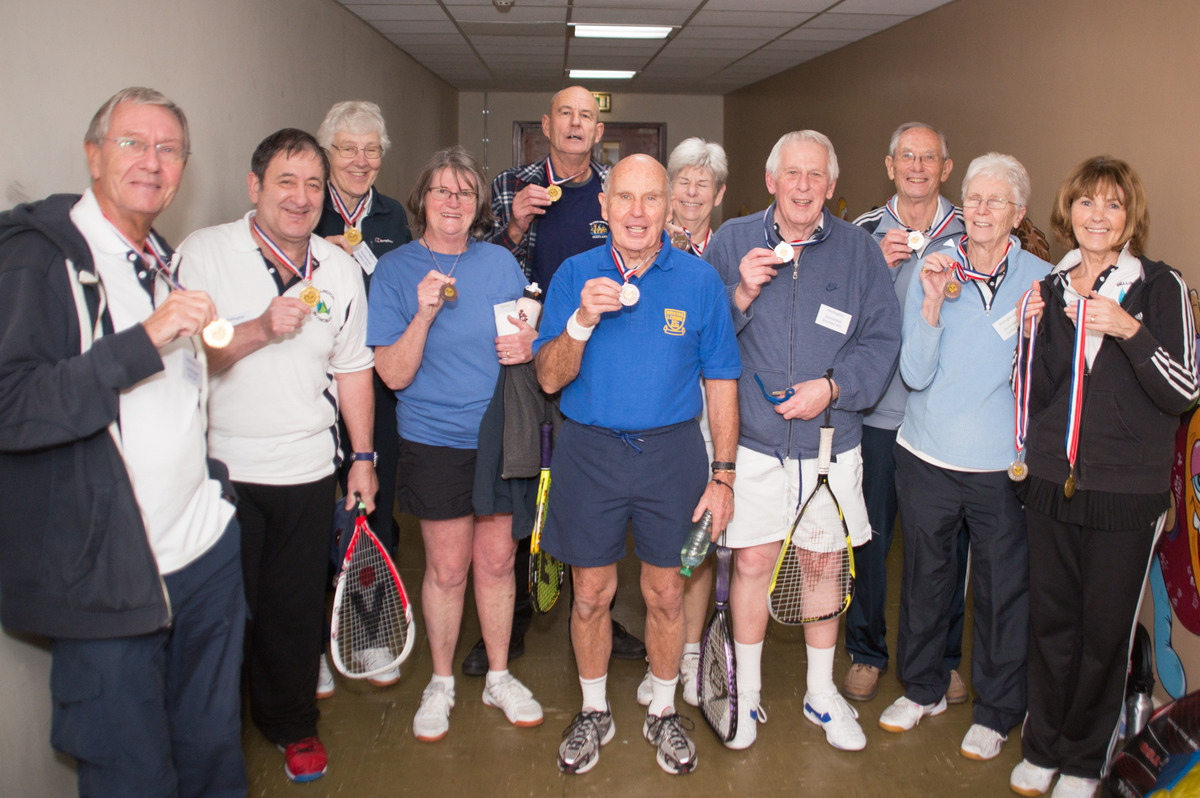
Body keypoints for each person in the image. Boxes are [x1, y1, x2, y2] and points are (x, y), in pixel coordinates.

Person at [0, 87, 245, 796]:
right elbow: (12, 406)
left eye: (169, 149)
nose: (152, 161)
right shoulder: (40, 259)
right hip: (109, 580)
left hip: (203, 558)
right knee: (131, 777)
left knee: (211, 757)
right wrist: (147, 338)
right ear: (93, 153)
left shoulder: (158, 256)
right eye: (133, 143)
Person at [178, 128, 378, 783]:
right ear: (254, 187)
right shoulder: (205, 255)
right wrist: (261, 328)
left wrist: (363, 457)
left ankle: (292, 725)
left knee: (293, 613)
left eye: (313, 185)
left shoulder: (340, 267)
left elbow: (353, 370)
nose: (299, 197)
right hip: (218, 473)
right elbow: (185, 357)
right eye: (285, 182)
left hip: (306, 471)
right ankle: (213, 740)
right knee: (219, 619)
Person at [536, 154, 741, 775]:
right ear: (603, 206)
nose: (636, 212)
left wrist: (724, 474)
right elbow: (548, 378)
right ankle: (594, 710)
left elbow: (722, 381)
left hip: (672, 455)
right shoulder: (574, 275)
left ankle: (662, 712)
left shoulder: (699, 281)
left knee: (665, 593)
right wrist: (580, 321)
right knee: (592, 594)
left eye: (651, 199)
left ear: (669, 206)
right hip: (589, 452)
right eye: (624, 198)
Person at [704, 130, 901, 752]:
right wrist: (740, 294)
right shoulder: (733, 240)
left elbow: (881, 341)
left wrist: (834, 388)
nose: (804, 185)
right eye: (793, 173)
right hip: (755, 443)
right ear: (771, 180)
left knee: (821, 565)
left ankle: (821, 693)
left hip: (829, 445)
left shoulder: (859, 252)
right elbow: (704, 339)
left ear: (832, 187)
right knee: (754, 563)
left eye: (817, 176)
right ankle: (749, 691)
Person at [1009, 157, 1198, 798]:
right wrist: (1028, 336)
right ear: (1070, 213)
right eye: (1087, 203)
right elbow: (1037, 394)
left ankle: (1087, 758)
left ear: (1130, 218)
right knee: (1051, 622)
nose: (1097, 216)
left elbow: (1184, 390)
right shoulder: (1052, 286)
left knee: (1104, 632)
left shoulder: (1159, 287)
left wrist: (1130, 332)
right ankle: (1044, 746)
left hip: (1125, 495)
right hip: (1050, 485)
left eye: (1112, 205)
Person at [368, 145, 544, 743]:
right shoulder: (396, 272)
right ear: (422, 201)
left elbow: (527, 334)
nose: (452, 201)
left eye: (464, 192)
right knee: (446, 570)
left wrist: (527, 343)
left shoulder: (498, 265)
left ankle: (498, 676)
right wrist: (421, 314)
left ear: (478, 207)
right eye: (442, 190)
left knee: (496, 563)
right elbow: (392, 374)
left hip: (497, 437)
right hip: (433, 438)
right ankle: (440, 682)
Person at [879, 153, 1049, 765]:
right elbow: (915, 373)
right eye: (972, 198)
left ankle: (998, 711)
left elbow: (1051, 382)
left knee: (1003, 593)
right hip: (926, 454)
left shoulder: (1043, 281)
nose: (979, 210)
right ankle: (922, 688)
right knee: (926, 579)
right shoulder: (936, 266)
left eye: (994, 201)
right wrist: (928, 305)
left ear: (1018, 213)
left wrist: (1039, 333)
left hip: (1002, 467)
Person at [473, 85, 644, 675]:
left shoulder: (611, 190)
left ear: (600, 131)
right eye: (566, 114)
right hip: (524, 357)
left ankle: (596, 610)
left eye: (587, 117)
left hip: (593, 363)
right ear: (547, 124)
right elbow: (479, 265)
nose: (576, 125)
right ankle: (513, 617)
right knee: (521, 487)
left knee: (588, 495)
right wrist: (515, 225)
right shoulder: (507, 186)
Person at [848, 122, 970, 706]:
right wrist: (875, 266)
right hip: (875, 417)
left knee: (941, 548)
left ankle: (942, 658)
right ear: (889, 165)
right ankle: (866, 652)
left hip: (941, 424)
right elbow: (836, 315)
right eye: (906, 157)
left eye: (930, 158)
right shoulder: (862, 232)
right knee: (867, 539)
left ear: (946, 169)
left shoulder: (972, 233)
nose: (917, 166)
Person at [314, 99, 412, 696]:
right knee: (310, 521)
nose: (360, 160)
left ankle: (373, 631)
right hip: (311, 387)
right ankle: (312, 643)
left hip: (375, 389)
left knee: (372, 514)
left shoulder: (394, 217)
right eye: (348, 148)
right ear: (329, 153)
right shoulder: (305, 204)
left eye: (371, 149)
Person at [634, 137, 729, 710]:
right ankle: (659, 657)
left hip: (706, 407)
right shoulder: (645, 243)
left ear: (718, 195)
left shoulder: (733, 246)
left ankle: (689, 654)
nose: (691, 193)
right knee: (653, 549)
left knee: (695, 536)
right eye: (683, 183)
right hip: (654, 409)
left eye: (703, 184)